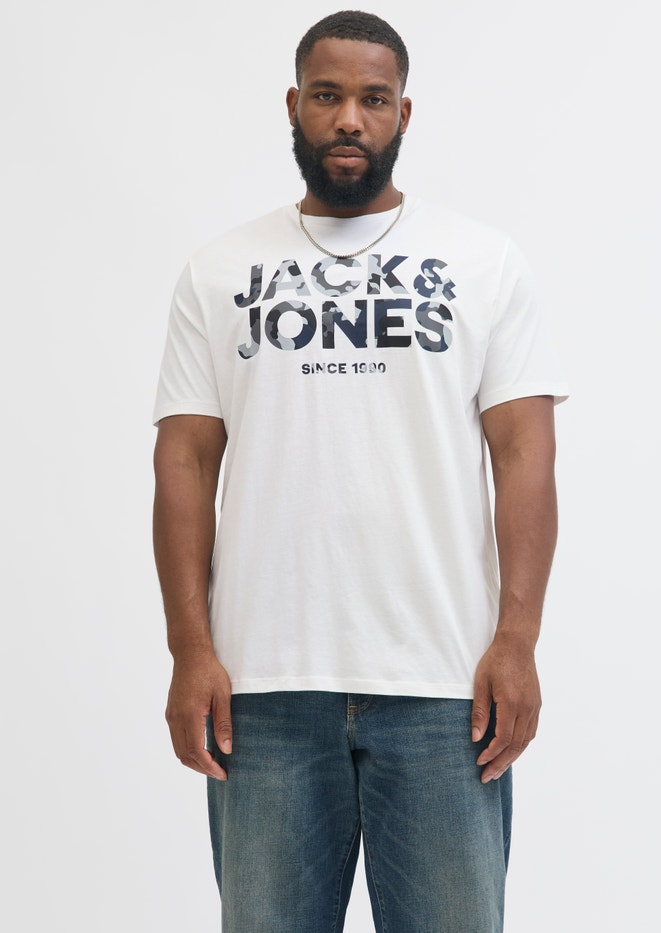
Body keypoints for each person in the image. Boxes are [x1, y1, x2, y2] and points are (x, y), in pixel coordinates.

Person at [152, 10, 568, 932]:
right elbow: (183, 458)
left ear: (403, 113)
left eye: (374, 99)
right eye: (328, 95)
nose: (350, 118)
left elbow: (524, 454)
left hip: (445, 687)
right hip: (262, 690)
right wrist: (190, 649)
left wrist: (518, 639)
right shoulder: (218, 272)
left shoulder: (485, 263)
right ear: (293, 104)